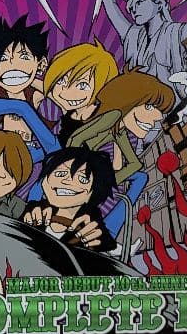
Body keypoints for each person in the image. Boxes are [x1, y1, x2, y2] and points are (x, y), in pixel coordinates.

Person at [67, 69, 176, 240]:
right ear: (128, 101)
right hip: (74, 178)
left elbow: (134, 165)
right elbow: (75, 140)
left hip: (95, 189)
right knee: (138, 178)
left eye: (160, 113)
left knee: (140, 177)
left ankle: (107, 230)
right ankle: (107, 230)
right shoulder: (111, 117)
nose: (157, 118)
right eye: (149, 106)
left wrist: (108, 182)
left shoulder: (124, 134)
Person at [22, 147, 115, 251]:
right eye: (60, 174)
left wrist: (98, 241)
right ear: (45, 181)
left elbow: (107, 246)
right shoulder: (34, 210)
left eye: (82, 179)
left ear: (93, 192)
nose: (66, 181)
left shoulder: (91, 222)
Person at [43, 41, 119, 145]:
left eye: (82, 85)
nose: (65, 92)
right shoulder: (71, 111)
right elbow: (50, 93)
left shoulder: (101, 116)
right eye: (61, 80)